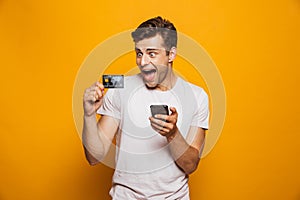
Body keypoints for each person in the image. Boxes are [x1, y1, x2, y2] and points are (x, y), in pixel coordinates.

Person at [82, 16, 209, 199]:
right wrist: (88, 116)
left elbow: (190, 165)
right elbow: (94, 157)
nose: (142, 62)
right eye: (139, 53)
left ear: (171, 54)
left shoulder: (197, 96)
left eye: (151, 53)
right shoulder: (120, 89)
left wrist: (172, 134)